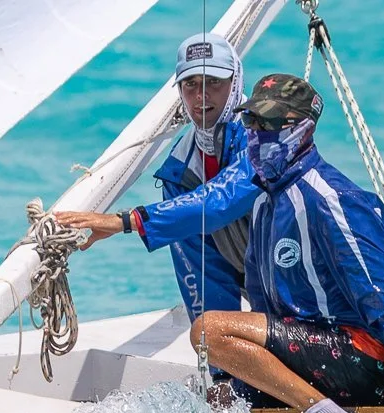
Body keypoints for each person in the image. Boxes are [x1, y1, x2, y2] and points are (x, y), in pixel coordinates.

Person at [186, 74, 384, 413]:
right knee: (213, 398)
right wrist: (234, 382)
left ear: (303, 128)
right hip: (310, 358)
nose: (257, 134)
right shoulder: (267, 203)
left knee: (208, 331)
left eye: (269, 124)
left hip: (360, 360)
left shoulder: (331, 198)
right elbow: (263, 310)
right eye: (251, 123)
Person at [54, 33, 258, 322]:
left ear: (235, 82)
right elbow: (204, 283)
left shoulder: (262, 137)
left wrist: (125, 221)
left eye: (214, 81)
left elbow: (221, 201)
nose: (201, 96)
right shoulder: (180, 171)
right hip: (262, 285)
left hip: (304, 285)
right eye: (190, 84)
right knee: (212, 333)